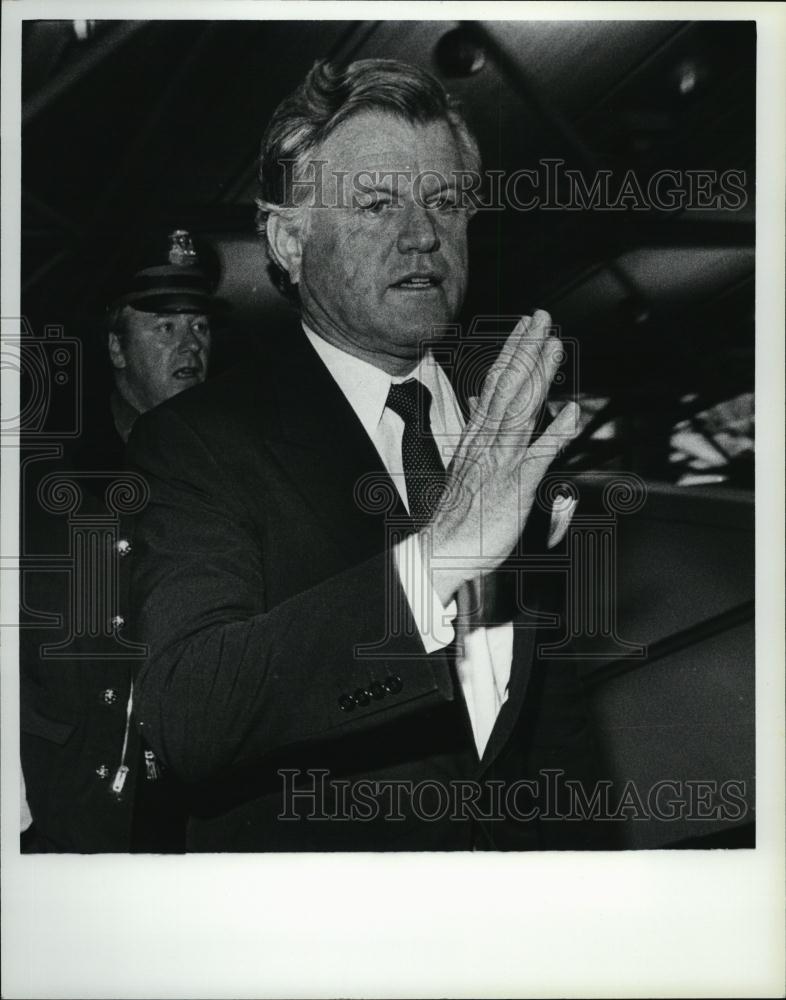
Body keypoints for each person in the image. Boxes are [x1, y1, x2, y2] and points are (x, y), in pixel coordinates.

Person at [128, 60, 602, 852]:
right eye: (378, 203)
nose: (423, 234)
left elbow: (557, 720)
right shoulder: (199, 444)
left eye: (445, 202)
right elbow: (188, 713)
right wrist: (439, 558)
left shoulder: (510, 429)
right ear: (288, 237)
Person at [20, 230, 216, 852]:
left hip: (195, 812)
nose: (189, 346)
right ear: (116, 347)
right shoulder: (51, 481)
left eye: (200, 327)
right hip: (69, 810)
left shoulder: (234, 469)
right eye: (163, 327)